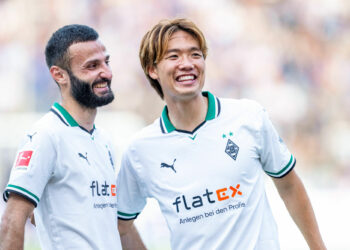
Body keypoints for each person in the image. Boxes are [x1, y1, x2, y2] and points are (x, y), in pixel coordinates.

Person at [117, 18, 327, 250]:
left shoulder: (249, 116)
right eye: (173, 56)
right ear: (152, 69)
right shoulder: (140, 149)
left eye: (195, 54)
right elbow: (121, 225)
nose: (187, 63)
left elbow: (288, 185)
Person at [0, 24, 139, 250]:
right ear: (59, 75)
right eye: (92, 66)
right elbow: (12, 221)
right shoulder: (46, 135)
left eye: (106, 62)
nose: (105, 72)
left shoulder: (103, 139)